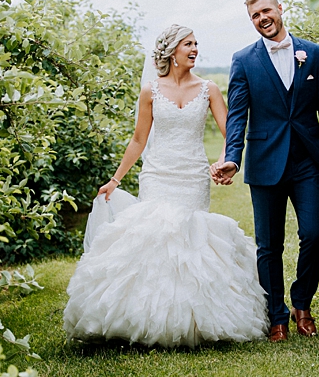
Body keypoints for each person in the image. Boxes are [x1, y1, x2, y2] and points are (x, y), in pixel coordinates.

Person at [63, 24, 268, 347]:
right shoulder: (151, 90)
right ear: (173, 51)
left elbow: (231, 132)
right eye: (189, 44)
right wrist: (115, 179)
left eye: (197, 43)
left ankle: (194, 319)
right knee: (155, 237)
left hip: (193, 175)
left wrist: (223, 161)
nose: (195, 49)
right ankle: (143, 318)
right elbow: (138, 139)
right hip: (158, 173)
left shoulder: (209, 89)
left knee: (189, 239)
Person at [211, 0, 319, 342]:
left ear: (280, 9)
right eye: (254, 16)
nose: (262, 19)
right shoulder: (243, 60)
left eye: (266, 11)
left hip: (307, 160)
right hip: (265, 160)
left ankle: (303, 304)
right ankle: (277, 317)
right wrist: (232, 157)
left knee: (314, 235)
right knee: (269, 246)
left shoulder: (312, 53)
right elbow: (238, 115)